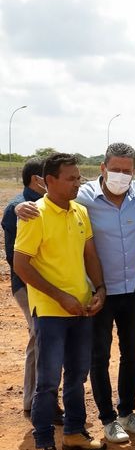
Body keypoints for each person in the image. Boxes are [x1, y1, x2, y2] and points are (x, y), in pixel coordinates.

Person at [14, 152, 107, 450]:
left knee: (78, 376)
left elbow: (90, 254)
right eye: (70, 178)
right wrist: (59, 296)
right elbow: (21, 265)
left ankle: (74, 433)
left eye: (79, 177)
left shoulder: (80, 211)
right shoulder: (33, 215)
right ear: (48, 181)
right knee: (48, 381)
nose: (77, 183)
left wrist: (100, 288)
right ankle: (43, 443)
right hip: (52, 312)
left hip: (81, 308)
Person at [75, 143, 135, 443]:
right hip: (99, 292)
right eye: (115, 169)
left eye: (127, 171)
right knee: (100, 355)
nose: (121, 175)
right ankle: (107, 419)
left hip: (132, 288)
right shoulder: (83, 198)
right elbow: (47, 203)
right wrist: (21, 205)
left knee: (133, 353)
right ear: (102, 168)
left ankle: (126, 412)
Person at [2, 156, 48, 420]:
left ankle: (33, 401)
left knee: (39, 338)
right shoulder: (20, 207)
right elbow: (15, 258)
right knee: (41, 338)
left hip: (36, 284)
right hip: (28, 285)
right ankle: (38, 403)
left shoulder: (38, 204)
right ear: (38, 180)